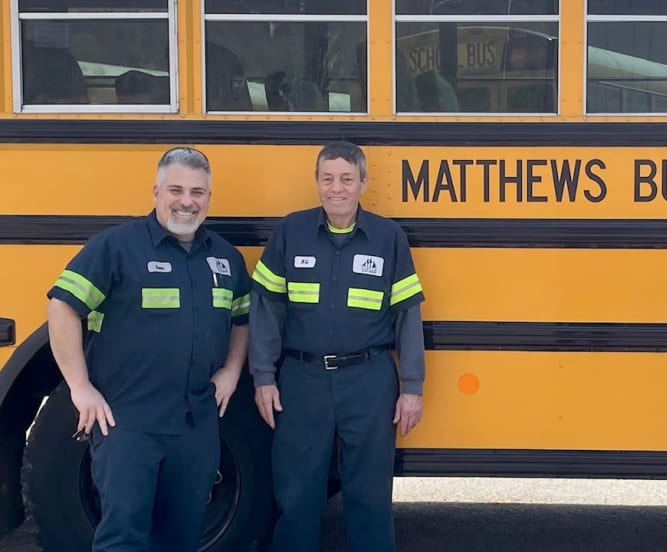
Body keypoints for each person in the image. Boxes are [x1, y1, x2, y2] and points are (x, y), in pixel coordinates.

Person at [46, 147, 250, 552]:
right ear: (156, 191)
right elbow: (62, 307)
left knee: (182, 538)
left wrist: (231, 369)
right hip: (128, 424)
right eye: (176, 189)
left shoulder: (226, 259)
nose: (187, 201)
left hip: (195, 425)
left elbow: (242, 319)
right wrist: (80, 387)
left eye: (198, 192)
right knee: (123, 538)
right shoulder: (116, 248)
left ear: (209, 197)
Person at [249, 141, 426, 552]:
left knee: (369, 495)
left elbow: (407, 316)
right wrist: (263, 377)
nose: (336, 189)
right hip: (301, 380)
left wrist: (412, 386)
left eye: (347, 179)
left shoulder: (387, 237)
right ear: (316, 182)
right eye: (327, 179)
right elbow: (266, 310)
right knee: (296, 492)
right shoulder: (290, 231)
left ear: (363, 182)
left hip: (369, 380)